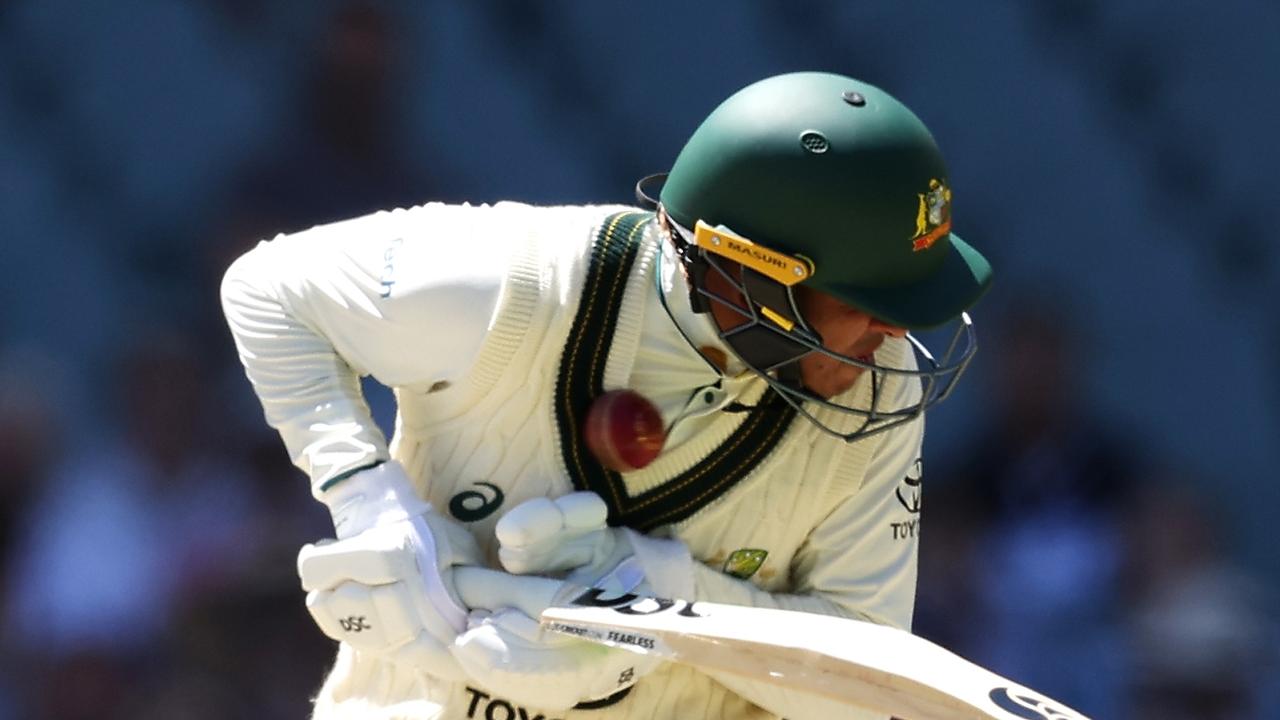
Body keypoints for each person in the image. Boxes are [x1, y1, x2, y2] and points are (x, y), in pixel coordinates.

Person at [220, 71, 992, 720]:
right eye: (867, 301)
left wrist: (666, 599)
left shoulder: (872, 394)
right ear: (749, 273)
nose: (891, 336)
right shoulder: (521, 281)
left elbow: (862, 683)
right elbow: (267, 292)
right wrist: (370, 501)